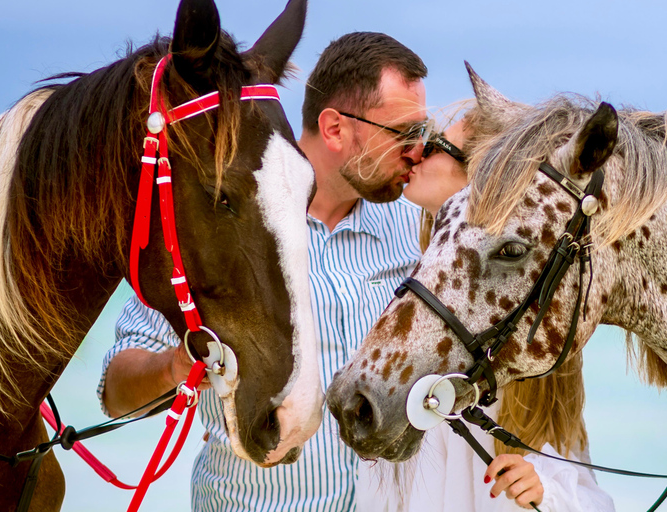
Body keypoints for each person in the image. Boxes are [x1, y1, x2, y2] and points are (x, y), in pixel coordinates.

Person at [98, 32, 429, 511]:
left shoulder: (417, 228)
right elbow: (115, 394)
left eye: (424, 131)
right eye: (403, 132)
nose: (417, 150)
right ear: (335, 128)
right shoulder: (219, 229)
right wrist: (175, 365)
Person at [355, 112, 616, 511]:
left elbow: (586, 493)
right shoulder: (411, 276)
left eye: (435, 145)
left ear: (484, 172)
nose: (416, 153)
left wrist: (545, 489)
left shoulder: (525, 328)